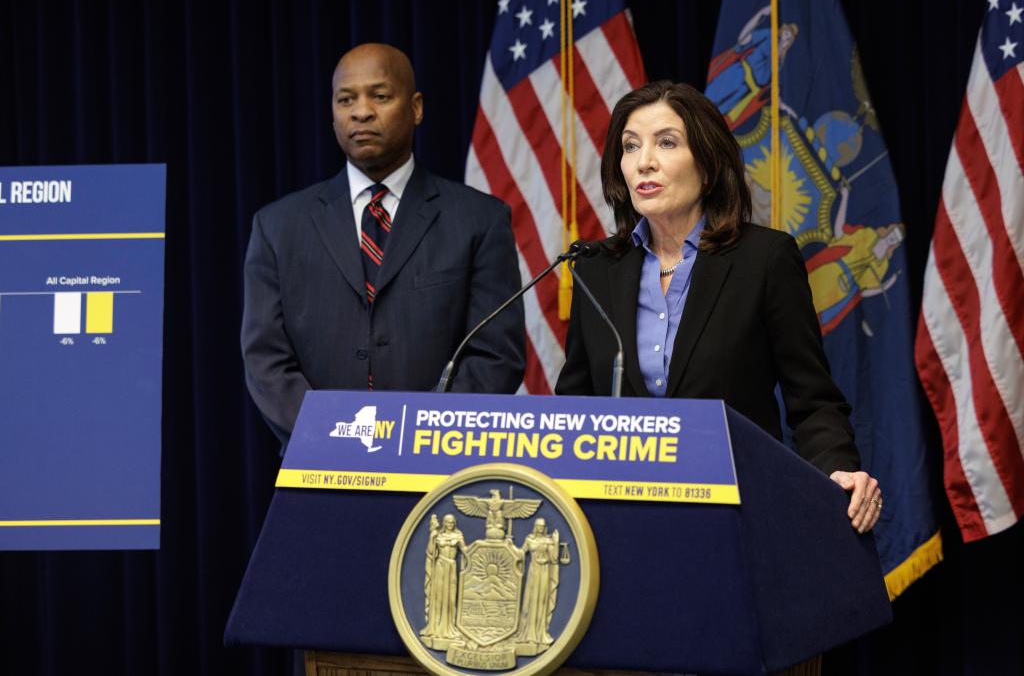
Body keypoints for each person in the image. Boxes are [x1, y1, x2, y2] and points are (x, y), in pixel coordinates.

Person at [555, 81, 881, 535]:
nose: (643, 161)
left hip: (736, 513)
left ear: (708, 165)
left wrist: (836, 469)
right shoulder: (596, 269)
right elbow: (574, 408)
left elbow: (813, 401)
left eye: (666, 143)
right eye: (630, 146)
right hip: (619, 522)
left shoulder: (763, 260)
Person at [241, 43, 525, 446]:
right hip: (321, 466)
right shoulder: (277, 227)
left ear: (417, 108)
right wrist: (336, 437)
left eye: (380, 96)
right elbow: (265, 360)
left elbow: (495, 357)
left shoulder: (479, 221)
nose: (361, 111)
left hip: (437, 471)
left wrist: (418, 441)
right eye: (345, 99)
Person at [516, 518, 561, 651]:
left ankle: (540, 633)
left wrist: (556, 543)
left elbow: (554, 558)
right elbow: (520, 553)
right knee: (532, 600)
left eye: (542, 526)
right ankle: (529, 633)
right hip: (533, 571)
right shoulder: (530, 539)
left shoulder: (548, 541)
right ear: (535, 527)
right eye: (538, 526)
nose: (540, 528)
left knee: (541, 600)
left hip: (544, 571)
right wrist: (509, 544)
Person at [420, 514, 466, 642]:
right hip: (440, 567)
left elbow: (465, 551)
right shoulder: (438, 536)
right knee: (439, 597)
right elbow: (430, 552)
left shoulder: (458, 536)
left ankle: (448, 627)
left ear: (454, 523)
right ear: (444, 523)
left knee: (450, 598)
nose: (450, 524)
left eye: (452, 522)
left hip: (451, 567)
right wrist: (432, 536)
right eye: (447, 522)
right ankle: (435, 628)